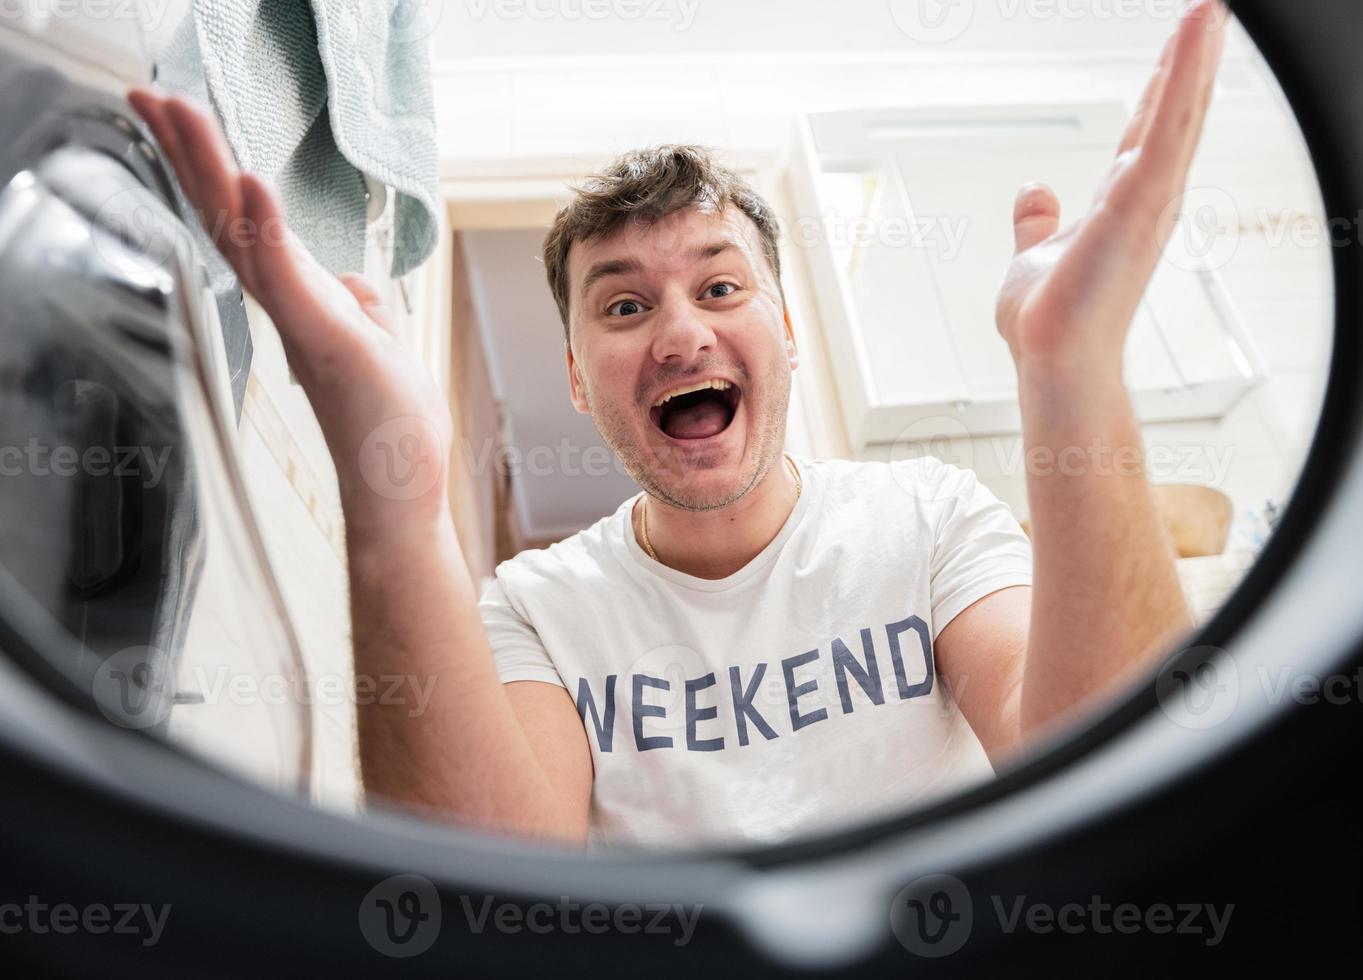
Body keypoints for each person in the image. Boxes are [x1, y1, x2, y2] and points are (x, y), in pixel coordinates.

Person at [127, 0, 1225, 851]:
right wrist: (393, 503)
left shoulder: (929, 519)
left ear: (788, 330)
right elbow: (489, 889)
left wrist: (1070, 366)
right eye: (623, 304)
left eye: (719, 287)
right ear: (574, 375)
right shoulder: (538, 608)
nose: (679, 331)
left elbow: (1093, 761)